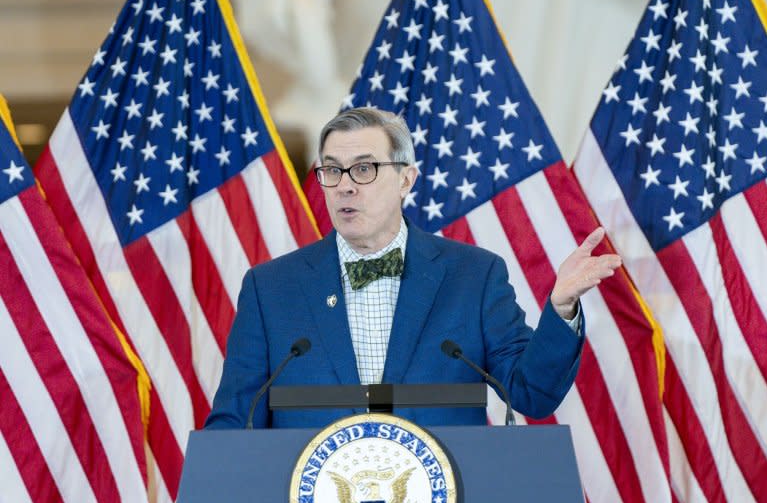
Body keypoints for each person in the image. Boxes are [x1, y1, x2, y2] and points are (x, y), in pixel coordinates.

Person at [205, 107, 622, 429]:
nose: (345, 185)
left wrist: (562, 307)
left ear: (406, 180)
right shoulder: (271, 288)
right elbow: (236, 417)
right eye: (332, 170)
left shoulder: (473, 277)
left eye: (364, 169)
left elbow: (531, 393)